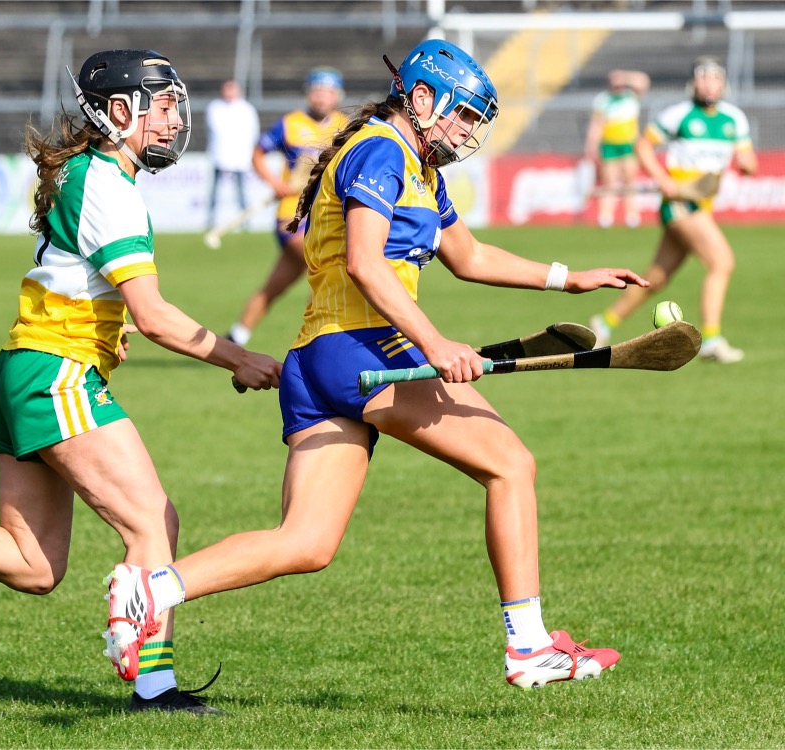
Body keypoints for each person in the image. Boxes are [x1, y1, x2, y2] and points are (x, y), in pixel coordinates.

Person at [104, 40, 648, 694]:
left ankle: (151, 588)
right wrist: (435, 342)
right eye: (465, 115)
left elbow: (469, 255)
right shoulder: (382, 151)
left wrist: (570, 278)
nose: (470, 131)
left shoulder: (417, 165)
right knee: (512, 464)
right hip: (362, 348)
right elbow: (364, 262)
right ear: (422, 99)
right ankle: (528, 646)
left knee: (306, 542)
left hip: (318, 361)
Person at [0, 49, 280, 715]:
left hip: (22, 369)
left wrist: (107, 322)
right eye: (162, 105)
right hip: (54, 373)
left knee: (35, 567)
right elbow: (155, 316)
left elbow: (81, 279)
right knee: (153, 522)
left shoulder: (89, 174)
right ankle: (153, 688)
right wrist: (238, 358)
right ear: (118, 112)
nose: (175, 118)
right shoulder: (109, 187)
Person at [589, 56, 757, 363]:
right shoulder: (678, 115)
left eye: (714, 77)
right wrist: (663, 179)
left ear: (723, 83)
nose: (708, 83)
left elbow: (749, 160)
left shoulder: (734, 119)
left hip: (703, 206)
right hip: (680, 204)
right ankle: (712, 340)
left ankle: (604, 323)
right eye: (702, 77)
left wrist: (747, 164)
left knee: (656, 278)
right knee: (722, 262)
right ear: (693, 82)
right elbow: (643, 146)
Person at [225, 66, 349, 347]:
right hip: (292, 217)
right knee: (326, 266)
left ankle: (235, 337)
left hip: (325, 216)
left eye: (328, 91)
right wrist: (274, 183)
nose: (321, 97)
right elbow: (258, 153)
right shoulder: (290, 123)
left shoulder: (346, 125)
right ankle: (322, 336)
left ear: (337, 96)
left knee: (274, 288)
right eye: (317, 90)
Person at [584, 69, 650, 228]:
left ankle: (632, 216)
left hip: (628, 144)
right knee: (609, 183)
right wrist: (591, 146)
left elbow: (643, 81)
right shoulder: (603, 100)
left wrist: (625, 76)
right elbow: (597, 125)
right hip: (609, 145)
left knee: (630, 181)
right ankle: (606, 216)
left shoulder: (631, 96)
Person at [205, 79, 260, 232]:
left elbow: (252, 133)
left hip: (240, 156)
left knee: (241, 193)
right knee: (214, 192)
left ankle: (245, 222)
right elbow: (214, 130)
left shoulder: (247, 109)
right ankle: (210, 221)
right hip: (219, 155)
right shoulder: (215, 108)